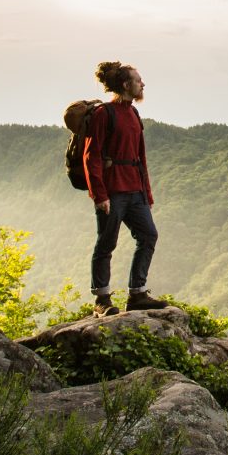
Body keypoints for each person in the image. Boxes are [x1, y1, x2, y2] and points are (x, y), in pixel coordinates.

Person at [82, 61, 168, 314]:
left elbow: (140, 157)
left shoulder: (133, 113)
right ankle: (102, 300)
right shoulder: (103, 114)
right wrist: (99, 194)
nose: (143, 84)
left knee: (148, 236)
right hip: (112, 192)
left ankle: (138, 294)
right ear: (125, 84)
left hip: (135, 190)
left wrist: (147, 193)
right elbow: (91, 156)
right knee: (106, 243)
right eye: (138, 80)